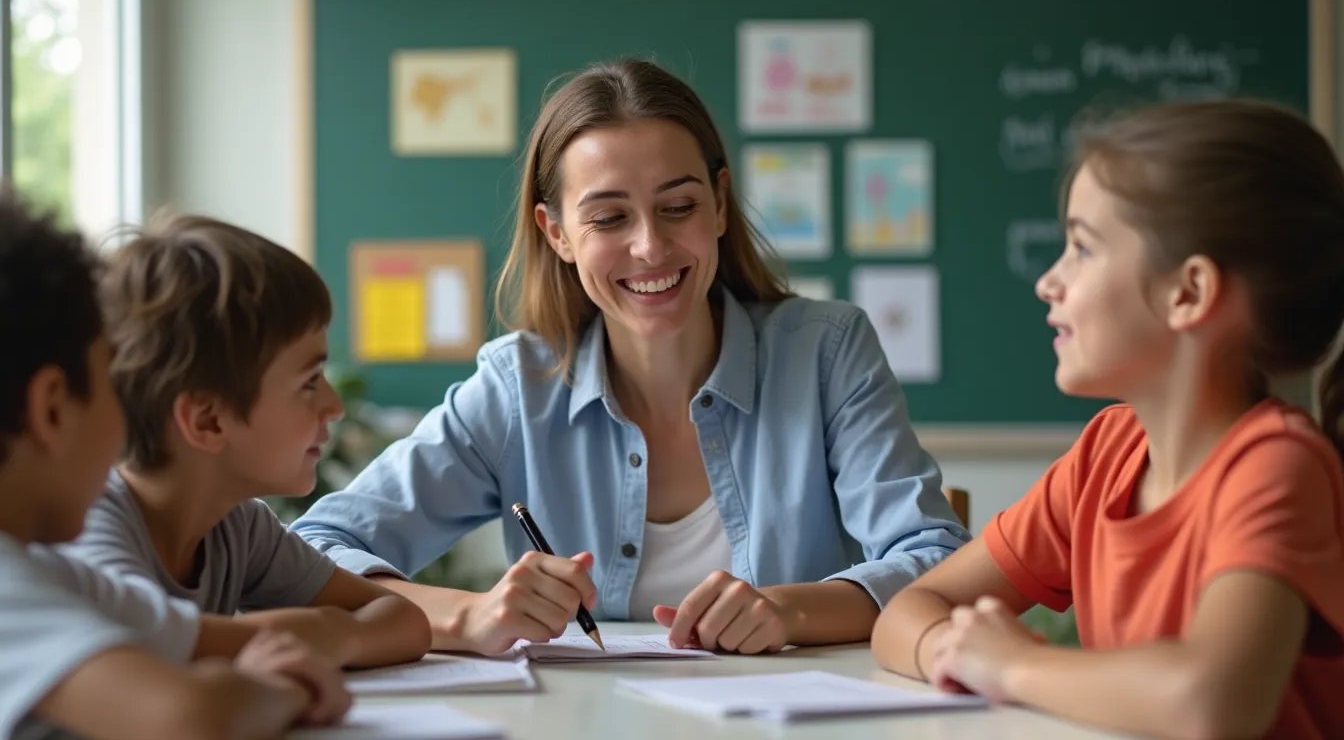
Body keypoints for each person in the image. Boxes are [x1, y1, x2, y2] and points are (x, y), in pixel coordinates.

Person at [293, 57, 968, 656]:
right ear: (556, 233)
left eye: (678, 206)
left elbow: (936, 560)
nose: (651, 247)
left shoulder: (827, 352)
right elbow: (311, 552)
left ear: (721, 205)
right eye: (610, 218)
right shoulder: (517, 387)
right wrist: (467, 615)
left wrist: (788, 608)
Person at [871, 99, 1344, 739]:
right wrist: (951, 654)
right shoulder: (1108, 452)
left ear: (1189, 293)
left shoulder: (1277, 466)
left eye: (1082, 248)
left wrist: (1015, 664)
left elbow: (1211, 702)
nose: (1048, 281)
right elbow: (908, 610)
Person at [0, 189, 349, 739]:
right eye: (110, 389)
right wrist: (276, 685)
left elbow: (215, 644)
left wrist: (270, 660)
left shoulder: (54, 576)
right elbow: (189, 716)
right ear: (51, 409)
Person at [60, 214, 431, 668]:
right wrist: (310, 636)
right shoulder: (92, 530)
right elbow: (141, 657)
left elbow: (405, 620)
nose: (334, 406)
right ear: (209, 421)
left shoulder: (238, 527)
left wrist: (335, 637)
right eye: (310, 381)